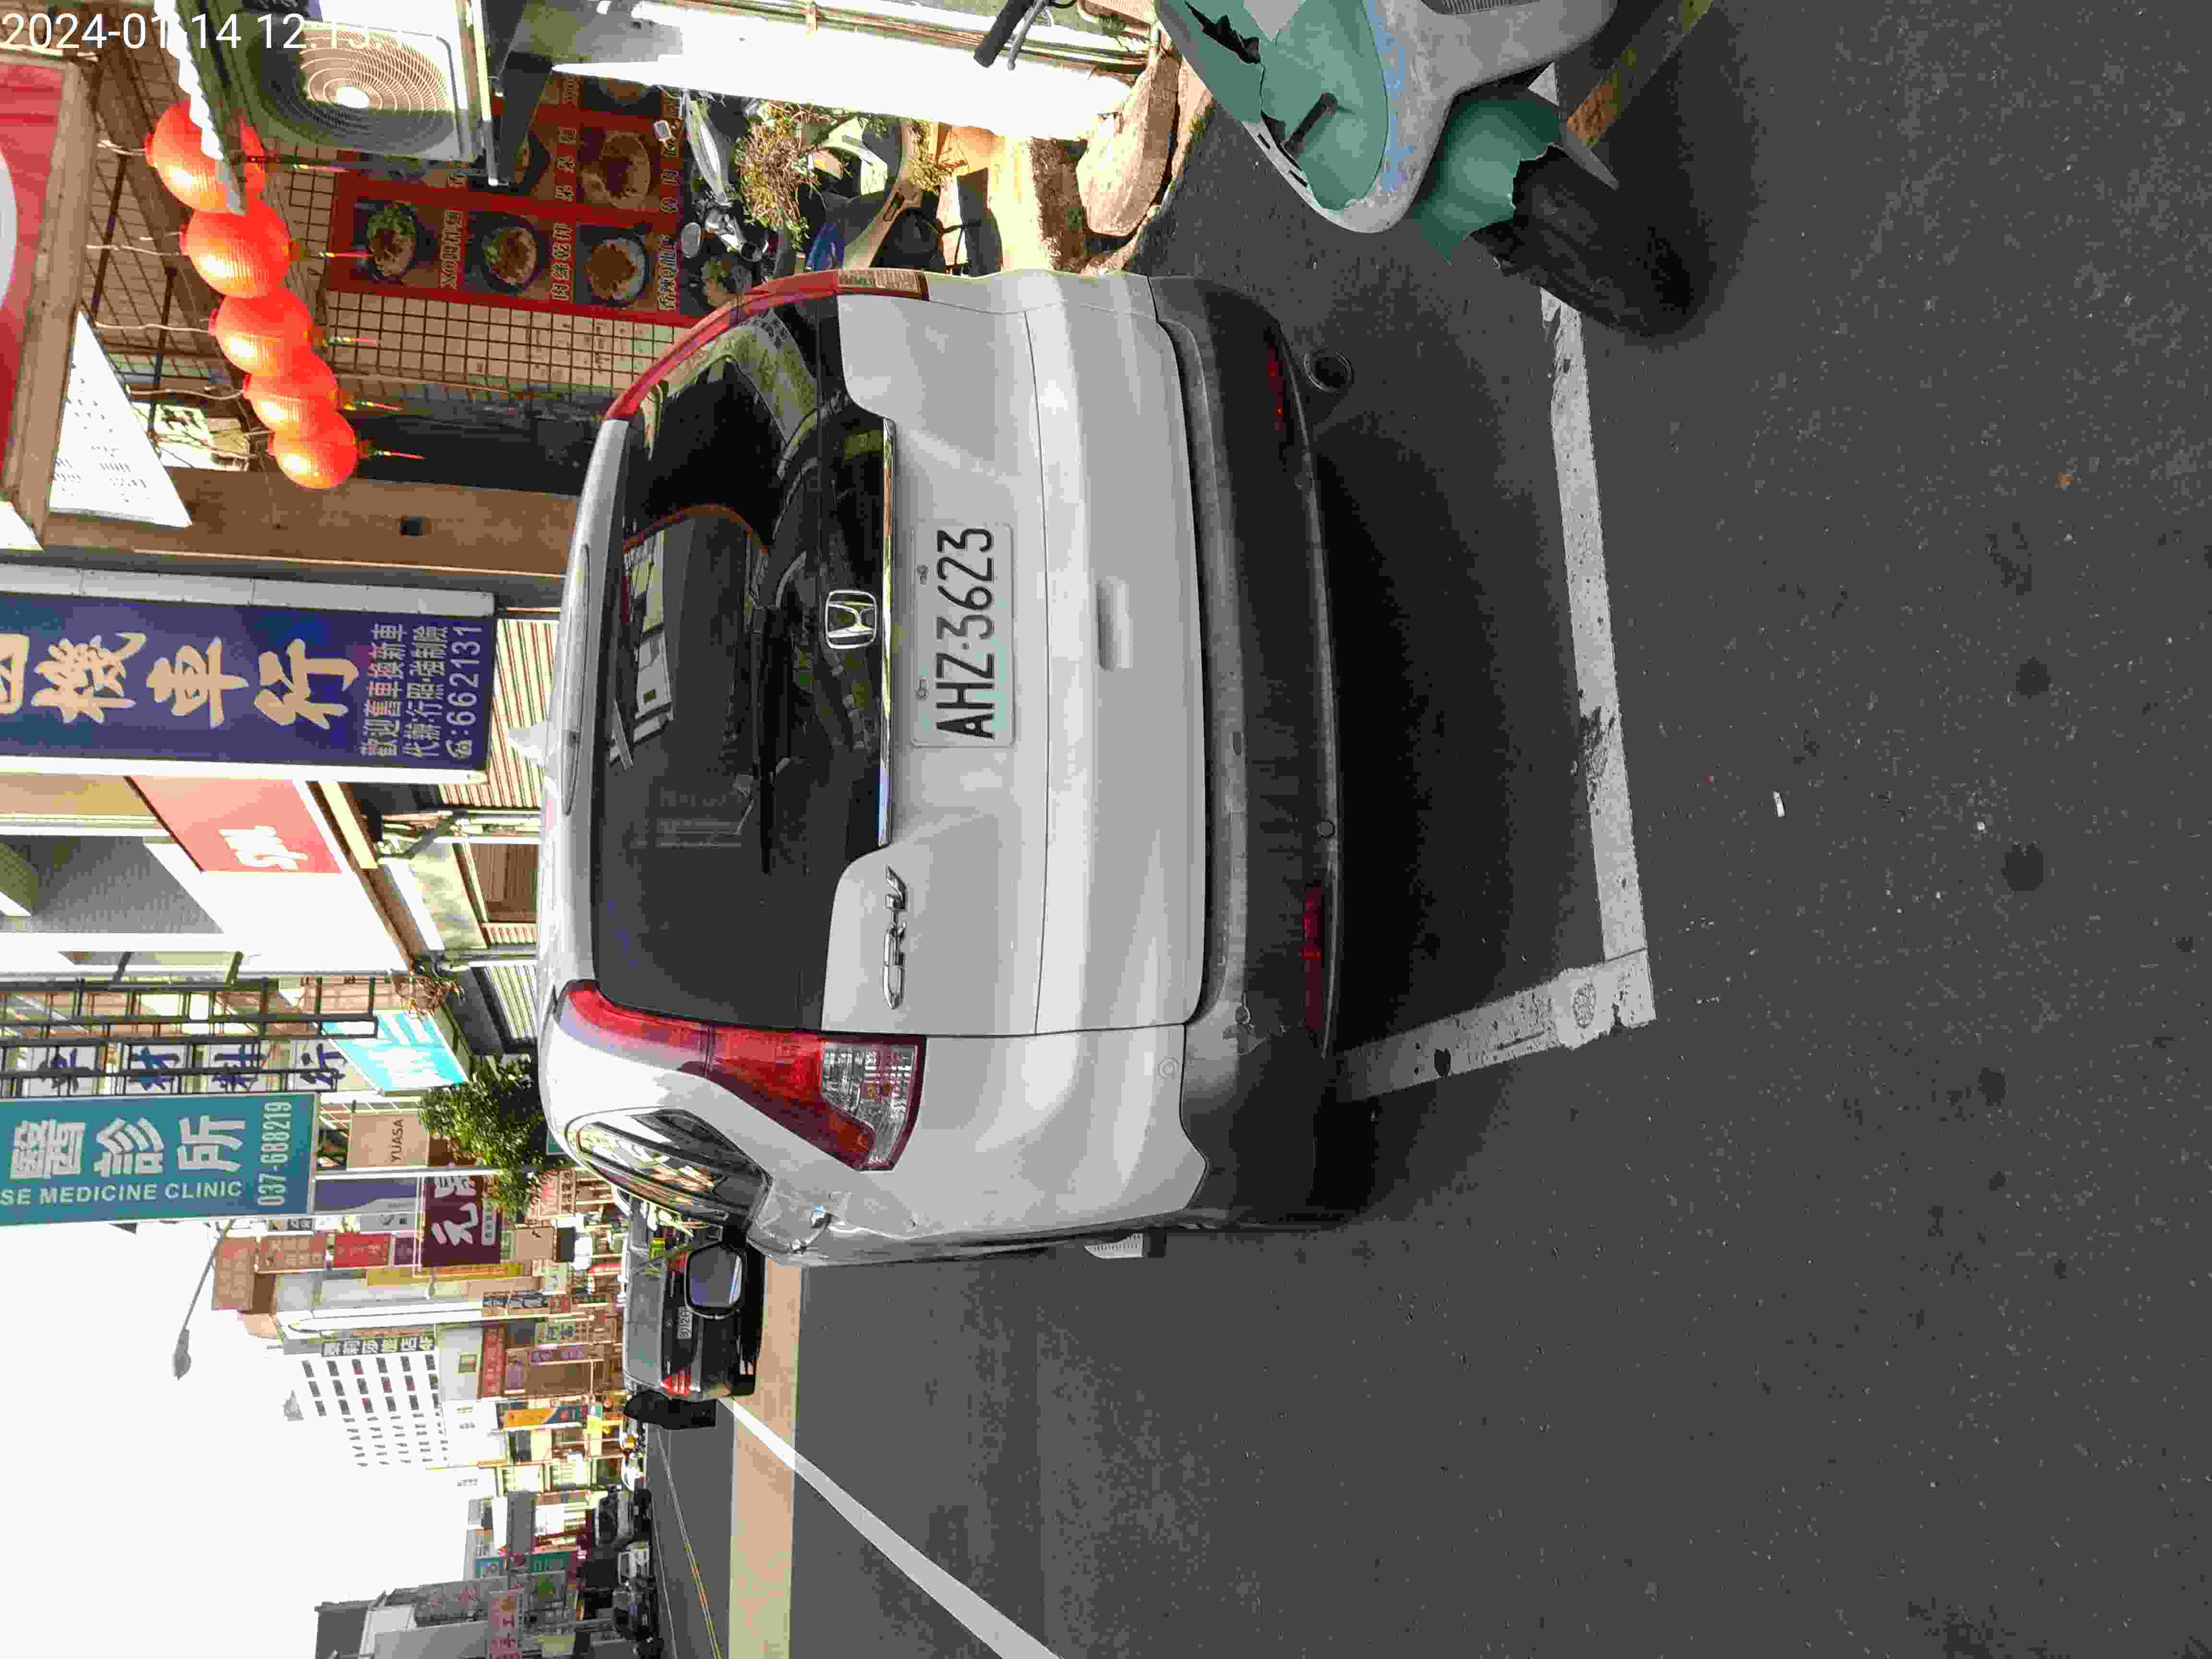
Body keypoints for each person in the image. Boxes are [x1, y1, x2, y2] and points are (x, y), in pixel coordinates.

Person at [622, 1388, 720, 1431]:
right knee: (698, 1409)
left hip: (669, 1418)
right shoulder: (639, 1402)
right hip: (671, 1408)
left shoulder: (638, 1411)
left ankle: (710, 1418)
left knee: (698, 1420)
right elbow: (653, 1396)